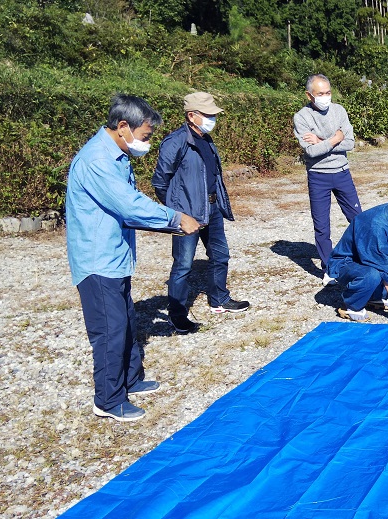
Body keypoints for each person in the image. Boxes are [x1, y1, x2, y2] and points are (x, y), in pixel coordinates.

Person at [66, 94, 202, 422]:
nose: (147, 143)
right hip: (98, 261)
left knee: (126, 321)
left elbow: (130, 205)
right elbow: (129, 206)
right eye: (145, 136)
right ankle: (109, 400)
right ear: (123, 126)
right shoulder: (97, 160)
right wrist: (175, 219)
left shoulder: (118, 154)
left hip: (115, 257)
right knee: (110, 330)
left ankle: (131, 378)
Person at [152, 92, 249, 334]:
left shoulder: (206, 139)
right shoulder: (175, 142)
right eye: (208, 115)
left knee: (220, 255)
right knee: (183, 264)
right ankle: (177, 315)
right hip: (188, 214)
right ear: (191, 115)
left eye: (214, 114)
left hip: (212, 208)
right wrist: (177, 209)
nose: (213, 118)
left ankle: (219, 299)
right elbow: (160, 181)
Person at [293, 74, 362, 286]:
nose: (325, 97)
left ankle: (365, 257)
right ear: (309, 95)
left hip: (342, 173)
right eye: (320, 94)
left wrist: (323, 140)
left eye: (328, 92)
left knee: (358, 218)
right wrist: (334, 138)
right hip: (318, 176)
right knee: (322, 226)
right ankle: (329, 268)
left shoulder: (339, 111)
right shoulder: (302, 117)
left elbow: (349, 142)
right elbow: (311, 151)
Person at [327, 190, 388, 327]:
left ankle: (374, 297)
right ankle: (351, 304)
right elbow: (384, 267)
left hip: (370, 257)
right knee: (372, 275)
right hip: (347, 262)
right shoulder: (376, 225)